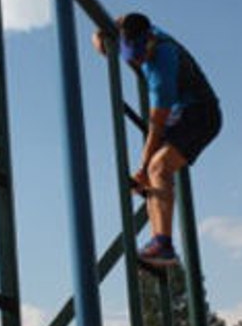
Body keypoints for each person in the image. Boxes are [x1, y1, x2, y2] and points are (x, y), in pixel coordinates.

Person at [92, 13, 221, 267]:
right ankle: (158, 237)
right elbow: (124, 18)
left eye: (140, 56)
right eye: (132, 58)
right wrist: (99, 34)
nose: (138, 61)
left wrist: (141, 168)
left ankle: (163, 245)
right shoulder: (141, 28)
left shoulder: (161, 67)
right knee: (155, 174)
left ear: (149, 42)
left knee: (157, 167)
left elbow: (156, 127)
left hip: (201, 114)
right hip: (183, 112)